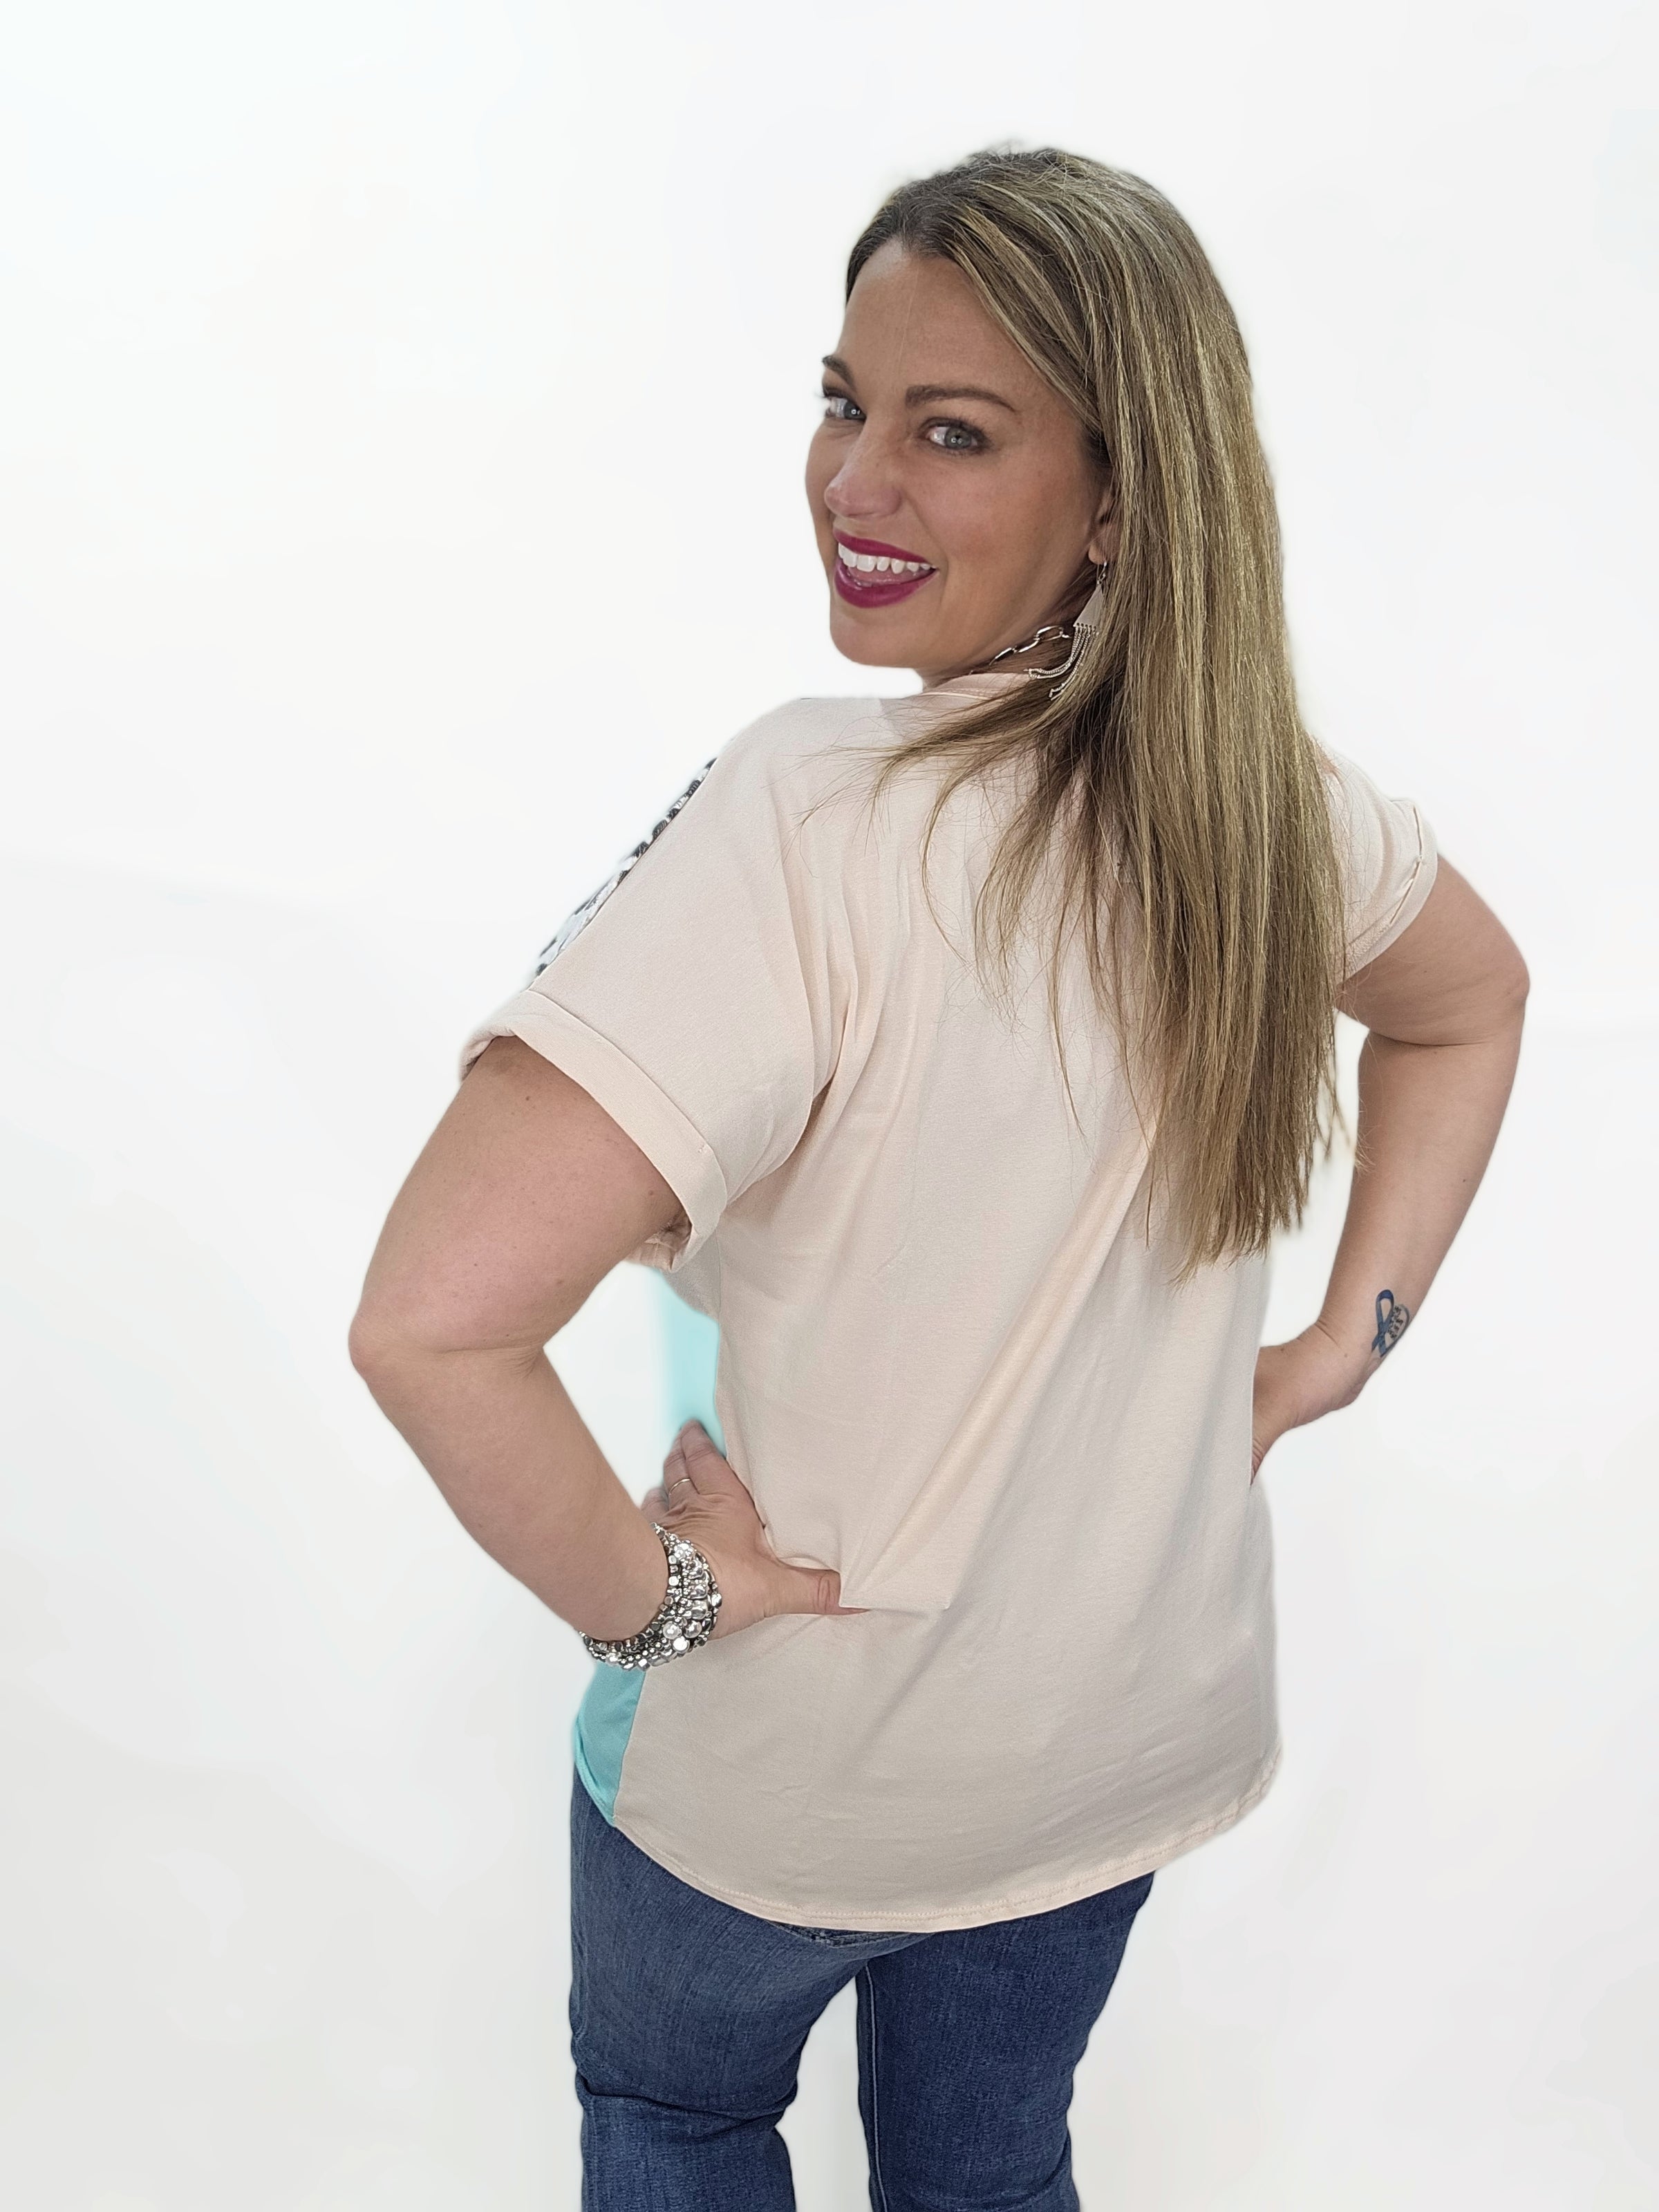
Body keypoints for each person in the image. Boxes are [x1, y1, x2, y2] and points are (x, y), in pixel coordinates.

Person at [350, 147, 1527, 2212]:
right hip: (1115, 1750)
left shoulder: (809, 815)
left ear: (1120, 497)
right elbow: (1472, 1003)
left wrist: (664, 1600)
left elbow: (431, 1326)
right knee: (989, 2171)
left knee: (680, 2121)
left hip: (789, 1775)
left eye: (952, 431)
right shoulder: (1270, 812)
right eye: (845, 401)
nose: (853, 480)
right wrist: (1338, 1350)